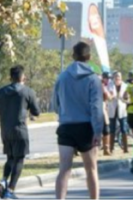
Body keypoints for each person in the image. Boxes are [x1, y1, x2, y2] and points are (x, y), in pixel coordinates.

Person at [53, 41, 104, 200]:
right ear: (88, 57)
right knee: (91, 169)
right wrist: (97, 131)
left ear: (73, 56)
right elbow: (96, 107)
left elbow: (55, 104)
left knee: (64, 170)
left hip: (66, 127)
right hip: (86, 127)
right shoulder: (93, 79)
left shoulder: (62, 77)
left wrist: (64, 114)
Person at [0, 65, 41, 200]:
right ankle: (10, 190)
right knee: (19, 159)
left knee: (10, 158)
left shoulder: (0, 92)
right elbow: (36, 112)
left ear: (10, 77)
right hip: (20, 130)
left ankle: (3, 180)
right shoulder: (28, 91)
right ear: (22, 77)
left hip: (5, 131)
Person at [108, 72, 129, 155]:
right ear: (113, 77)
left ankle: (125, 148)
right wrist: (112, 96)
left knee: (124, 129)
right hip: (112, 109)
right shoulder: (110, 85)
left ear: (121, 78)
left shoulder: (125, 86)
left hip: (122, 109)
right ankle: (111, 148)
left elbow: (127, 99)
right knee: (111, 129)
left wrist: (124, 98)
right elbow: (109, 96)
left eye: (119, 77)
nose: (117, 78)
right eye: (116, 76)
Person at [100, 71, 115, 156]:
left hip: (101, 108)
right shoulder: (101, 85)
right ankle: (106, 149)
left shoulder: (104, 85)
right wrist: (111, 95)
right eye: (106, 78)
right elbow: (109, 97)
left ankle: (106, 149)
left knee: (106, 129)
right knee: (105, 129)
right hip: (100, 108)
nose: (108, 80)